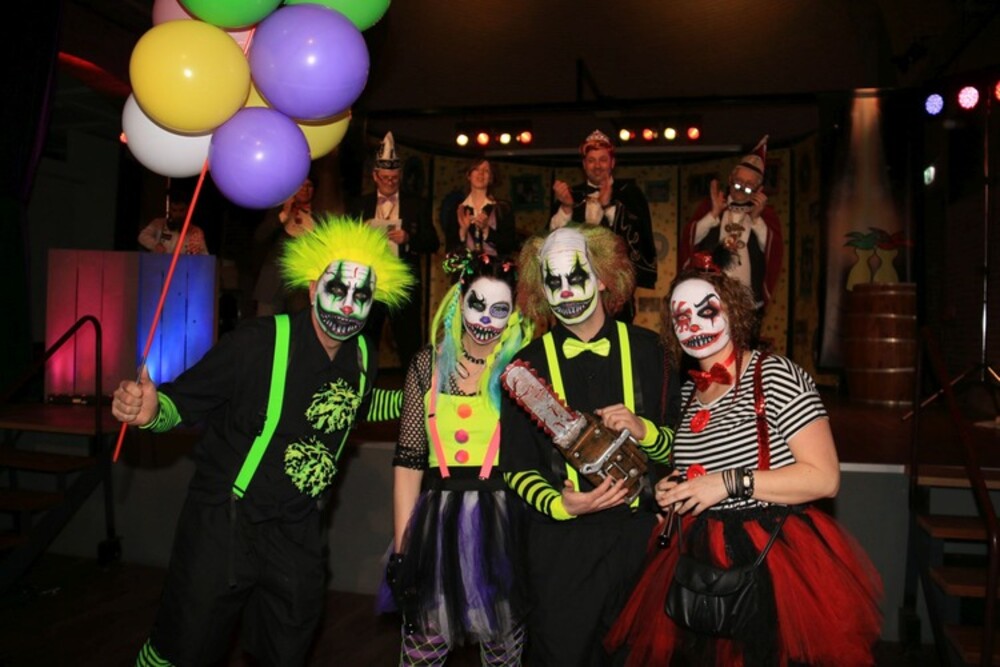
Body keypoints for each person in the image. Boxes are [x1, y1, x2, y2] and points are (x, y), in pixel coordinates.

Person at [112, 216, 415, 667]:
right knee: (184, 647)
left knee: (286, 647)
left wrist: (420, 403)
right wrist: (151, 412)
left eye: (361, 296)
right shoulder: (258, 343)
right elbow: (184, 402)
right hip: (227, 520)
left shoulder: (363, 356)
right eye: (337, 289)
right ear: (312, 289)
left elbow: (355, 404)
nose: (348, 306)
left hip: (297, 528)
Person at [605, 252, 882, 666]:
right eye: (681, 317)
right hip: (697, 556)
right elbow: (700, 468)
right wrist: (675, 489)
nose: (693, 325)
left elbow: (825, 478)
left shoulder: (775, 375)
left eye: (706, 311)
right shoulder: (689, 391)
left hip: (770, 560)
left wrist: (727, 482)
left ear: (733, 311)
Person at [499, 225, 676, 666]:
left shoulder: (652, 351)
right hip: (562, 545)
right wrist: (560, 504)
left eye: (575, 277)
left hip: (638, 540)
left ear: (601, 278)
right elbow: (515, 467)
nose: (565, 291)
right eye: (553, 282)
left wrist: (645, 431)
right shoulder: (525, 367)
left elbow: (682, 448)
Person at [381, 250, 535, 666]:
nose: (485, 319)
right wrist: (402, 551)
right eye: (477, 304)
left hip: (503, 529)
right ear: (458, 301)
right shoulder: (426, 365)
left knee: (504, 655)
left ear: (513, 315)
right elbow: (409, 461)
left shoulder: (522, 372)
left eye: (499, 310)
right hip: (436, 531)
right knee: (421, 653)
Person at [351, 131, 440, 371]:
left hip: (403, 282)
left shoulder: (416, 204)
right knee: (365, 340)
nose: (390, 182)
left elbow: (433, 243)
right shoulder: (360, 205)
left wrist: (409, 239)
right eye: (385, 178)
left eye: (394, 178)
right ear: (375, 176)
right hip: (370, 282)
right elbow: (346, 244)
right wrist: (361, 235)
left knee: (409, 341)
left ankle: (413, 388)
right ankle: (363, 386)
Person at [549, 129, 657, 321]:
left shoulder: (630, 193)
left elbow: (639, 238)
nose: (597, 166)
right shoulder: (571, 195)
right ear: (584, 164)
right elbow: (552, 240)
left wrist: (608, 206)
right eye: (591, 160)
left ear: (612, 163)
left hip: (614, 289)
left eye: (603, 160)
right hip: (575, 284)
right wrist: (566, 207)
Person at [679, 135, 783, 310]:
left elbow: (773, 253)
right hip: (710, 295)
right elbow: (689, 241)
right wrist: (713, 214)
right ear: (730, 180)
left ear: (759, 190)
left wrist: (756, 219)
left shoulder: (766, 215)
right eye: (738, 183)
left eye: (748, 186)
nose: (741, 189)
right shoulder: (711, 206)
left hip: (746, 301)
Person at [253, 176, 317, 316]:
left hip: (300, 286)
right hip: (272, 283)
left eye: (309, 186)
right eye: (301, 185)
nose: (305, 189)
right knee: (265, 324)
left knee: (299, 323)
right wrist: (283, 215)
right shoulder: (278, 210)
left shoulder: (318, 214)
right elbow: (259, 236)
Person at [442, 157, 517, 257]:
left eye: (486, 170)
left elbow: (510, 246)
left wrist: (487, 230)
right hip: (467, 267)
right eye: (476, 169)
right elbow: (449, 251)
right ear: (468, 175)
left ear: (491, 178)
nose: (481, 173)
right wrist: (463, 231)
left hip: (496, 266)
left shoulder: (503, 208)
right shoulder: (457, 209)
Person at [138, 189, 209, 255]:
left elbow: (205, 255)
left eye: (181, 210)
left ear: (187, 210)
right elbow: (142, 236)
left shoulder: (196, 232)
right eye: (174, 210)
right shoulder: (158, 224)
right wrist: (155, 245)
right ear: (170, 210)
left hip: (183, 264)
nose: (178, 214)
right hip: (159, 263)